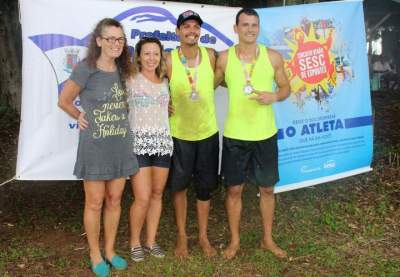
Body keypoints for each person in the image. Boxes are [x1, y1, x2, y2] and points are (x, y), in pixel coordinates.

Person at [58, 18, 138, 277]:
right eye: (111, 39)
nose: (116, 44)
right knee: (94, 203)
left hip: (120, 144)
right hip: (95, 146)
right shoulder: (86, 68)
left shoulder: (125, 69)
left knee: (115, 200)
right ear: (99, 41)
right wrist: (77, 114)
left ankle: (111, 250)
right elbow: (64, 100)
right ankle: (95, 253)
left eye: (120, 39)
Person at [214, 8, 290, 260]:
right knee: (234, 190)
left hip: (265, 134)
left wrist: (275, 96)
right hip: (235, 135)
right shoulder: (224, 58)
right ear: (235, 28)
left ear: (259, 28)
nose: (250, 29)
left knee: (267, 189)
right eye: (244, 25)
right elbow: (207, 84)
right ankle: (234, 241)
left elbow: (286, 88)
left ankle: (267, 239)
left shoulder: (273, 57)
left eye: (254, 25)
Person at [165, 10, 219, 258]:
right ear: (178, 31)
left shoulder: (209, 55)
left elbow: (225, 78)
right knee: (179, 187)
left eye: (196, 26)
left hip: (207, 133)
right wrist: (160, 102)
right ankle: (182, 237)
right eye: (186, 26)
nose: (191, 30)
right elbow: (148, 84)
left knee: (205, 188)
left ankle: (203, 236)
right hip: (179, 134)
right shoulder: (168, 60)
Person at [126, 37, 173, 262]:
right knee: (142, 197)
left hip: (163, 143)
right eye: (147, 53)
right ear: (138, 56)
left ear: (161, 56)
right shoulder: (130, 79)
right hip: (139, 144)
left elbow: (166, 108)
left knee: (156, 194)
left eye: (156, 53)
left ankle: (151, 240)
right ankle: (134, 241)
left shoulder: (165, 80)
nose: (151, 58)